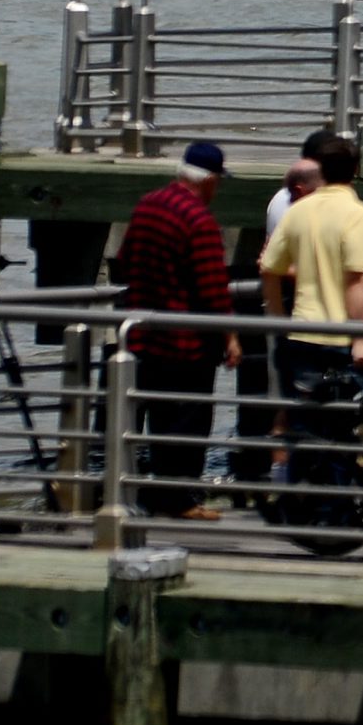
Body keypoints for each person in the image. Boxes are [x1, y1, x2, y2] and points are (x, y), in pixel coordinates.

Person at [113, 141, 243, 517]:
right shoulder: (199, 222)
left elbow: (123, 261)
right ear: (210, 180)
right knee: (188, 423)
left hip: (144, 334)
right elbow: (212, 289)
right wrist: (231, 337)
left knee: (156, 420)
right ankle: (180, 501)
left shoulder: (147, 205)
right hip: (187, 345)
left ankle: (155, 493)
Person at [261, 141, 363, 518]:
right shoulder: (358, 213)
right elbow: (357, 279)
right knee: (339, 426)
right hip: (339, 339)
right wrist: (361, 338)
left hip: (300, 334)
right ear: (356, 170)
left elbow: (269, 267)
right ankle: (335, 509)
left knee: (304, 425)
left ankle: (298, 505)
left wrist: (279, 318)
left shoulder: (300, 211)